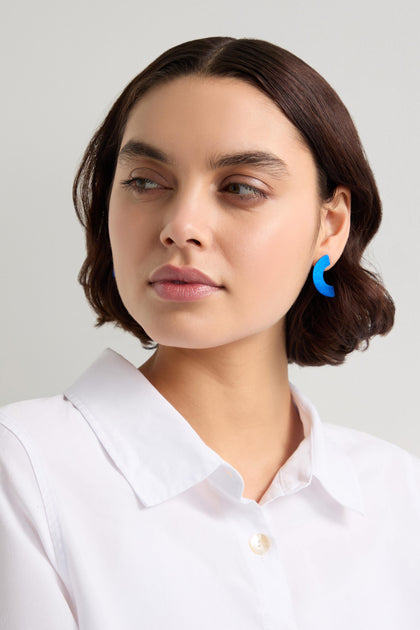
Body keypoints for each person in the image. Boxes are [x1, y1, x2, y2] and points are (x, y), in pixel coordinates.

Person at [0, 36, 419, 630]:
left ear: (330, 226)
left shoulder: (399, 496)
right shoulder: (25, 472)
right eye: (146, 182)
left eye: (241, 187)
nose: (180, 226)